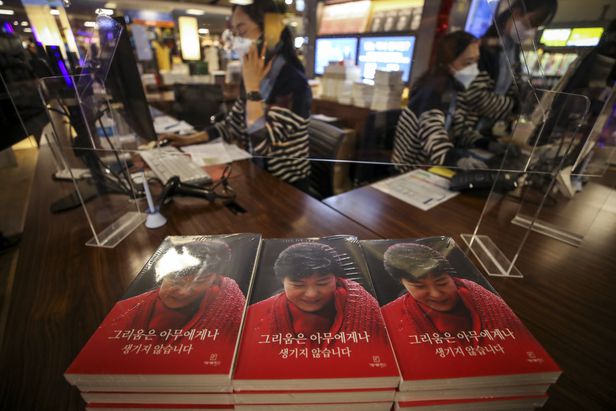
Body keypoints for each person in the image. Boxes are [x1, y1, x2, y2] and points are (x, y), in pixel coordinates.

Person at [163, 0, 312, 191]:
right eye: (234, 33)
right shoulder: (253, 76)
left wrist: (252, 90)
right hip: (258, 178)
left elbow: (262, 146)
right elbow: (232, 126)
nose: (237, 41)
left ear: (270, 31)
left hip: (288, 188)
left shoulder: (293, 80)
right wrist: (188, 139)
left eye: (242, 31)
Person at [391, 31, 516, 172]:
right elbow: (434, 138)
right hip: (407, 173)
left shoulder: (456, 89)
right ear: (447, 63)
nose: (474, 69)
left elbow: (459, 132)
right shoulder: (431, 92)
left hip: (432, 168)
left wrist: (486, 144)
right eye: (467, 63)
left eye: (476, 61)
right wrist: (458, 160)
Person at [381, 242, 528, 347]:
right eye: (420, 286)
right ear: (402, 283)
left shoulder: (482, 297)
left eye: (442, 283)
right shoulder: (389, 315)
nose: (436, 294)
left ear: (452, 277)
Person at [104, 240, 246, 344]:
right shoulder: (127, 311)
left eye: (199, 281)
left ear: (214, 279)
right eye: (175, 280)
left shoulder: (229, 302)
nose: (184, 292)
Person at [248, 242, 386, 347]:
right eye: (299, 285)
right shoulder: (255, 315)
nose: (312, 294)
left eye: (322, 283)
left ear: (336, 279)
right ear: (282, 282)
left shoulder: (365, 307)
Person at [480, 0, 558, 97]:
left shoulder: (514, 48)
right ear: (516, 12)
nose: (532, 32)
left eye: (537, 27)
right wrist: (511, 103)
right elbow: (478, 95)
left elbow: (515, 84)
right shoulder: (485, 46)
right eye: (531, 23)